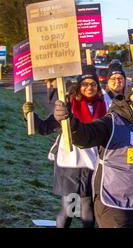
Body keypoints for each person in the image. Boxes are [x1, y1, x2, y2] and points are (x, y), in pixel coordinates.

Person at [51, 74, 133, 228]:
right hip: (114, 206)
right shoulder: (112, 122)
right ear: (129, 96)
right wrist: (69, 122)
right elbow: (86, 136)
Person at [22, 65, 106, 228]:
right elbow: (45, 127)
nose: (89, 88)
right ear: (79, 87)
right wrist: (29, 115)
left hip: (92, 164)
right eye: (85, 84)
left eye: (93, 84)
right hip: (69, 164)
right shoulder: (68, 104)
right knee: (69, 208)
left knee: (87, 207)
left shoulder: (103, 106)